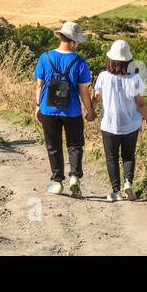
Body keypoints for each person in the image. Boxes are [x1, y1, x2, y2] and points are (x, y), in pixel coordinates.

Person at [33, 22, 94, 197]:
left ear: (60, 36)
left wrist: (38, 106)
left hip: (48, 109)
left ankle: (57, 182)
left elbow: (39, 85)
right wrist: (90, 110)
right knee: (75, 145)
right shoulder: (80, 62)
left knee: (53, 145)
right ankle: (75, 178)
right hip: (72, 111)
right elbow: (83, 91)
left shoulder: (45, 57)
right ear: (74, 42)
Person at [92, 39, 147, 201]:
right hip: (131, 124)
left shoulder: (103, 77)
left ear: (111, 60)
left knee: (111, 158)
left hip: (109, 124)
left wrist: (90, 108)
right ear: (128, 61)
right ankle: (128, 183)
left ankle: (116, 191)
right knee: (128, 156)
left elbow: (96, 98)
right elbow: (140, 103)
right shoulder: (135, 78)